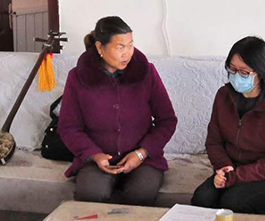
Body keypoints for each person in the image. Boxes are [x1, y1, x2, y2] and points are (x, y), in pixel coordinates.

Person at [59, 16, 177, 206]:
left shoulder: (146, 72)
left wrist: (141, 153)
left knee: (140, 195)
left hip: (143, 160)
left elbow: (167, 120)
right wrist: (94, 155)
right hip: (97, 161)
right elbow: (68, 127)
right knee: (91, 193)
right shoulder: (78, 77)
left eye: (130, 45)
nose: (127, 53)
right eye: (120, 47)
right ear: (100, 47)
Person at [191, 36, 265, 214]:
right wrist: (224, 167)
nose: (236, 76)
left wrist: (234, 177)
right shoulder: (223, 96)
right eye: (232, 69)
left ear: (261, 73)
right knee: (202, 198)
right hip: (232, 170)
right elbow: (214, 142)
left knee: (233, 202)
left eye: (244, 72)